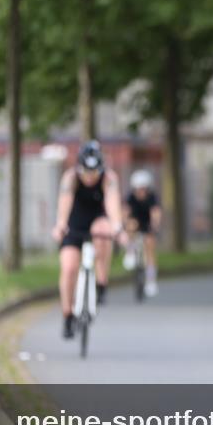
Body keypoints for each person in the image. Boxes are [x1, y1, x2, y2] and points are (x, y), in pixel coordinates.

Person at [51, 141, 128, 339]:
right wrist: (60, 225)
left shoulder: (108, 178)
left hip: (98, 219)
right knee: (69, 268)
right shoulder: (70, 178)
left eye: (94, 172)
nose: (90, 177)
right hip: (75, 223)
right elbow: (65, 203)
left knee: (103, 231)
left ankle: (102, 282)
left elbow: (112, 204)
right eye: (86, 172)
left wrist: (118, 227)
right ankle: (68, 315)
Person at [124, 169, 162, 297]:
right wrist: (123, 223)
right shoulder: (130, 197)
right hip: (135, 222)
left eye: (143, 188)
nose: (140, 191)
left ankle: (151, 280)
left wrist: (155, 226)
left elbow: (155, 213)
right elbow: (125, 211)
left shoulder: (152, 197)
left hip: (147, 223)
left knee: (150, 247)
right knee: (131, 224)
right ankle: (130, 251)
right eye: (138, 189)